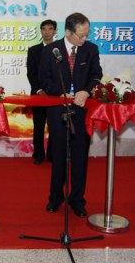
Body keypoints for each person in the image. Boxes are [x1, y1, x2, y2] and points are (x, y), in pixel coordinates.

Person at [39, 13, 102, 218]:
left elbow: (96, 75)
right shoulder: (51, 50)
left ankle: (77, 199)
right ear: (68, 32)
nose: (84, 40)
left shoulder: (90, 49)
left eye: (86, 35)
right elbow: (44, 79)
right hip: (58, 110)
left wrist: (86, 90)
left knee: (80, 157)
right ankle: (55, 198)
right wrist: (60, 93)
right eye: (80, 36)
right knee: (58, 156)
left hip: (82, 110)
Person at [26, 19, 56, 165]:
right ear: (41, 31)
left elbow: (63, 74)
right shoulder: (33, 50)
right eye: (44, 29)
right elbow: (31, 73)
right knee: (38, 126)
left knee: (54, 126)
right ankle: (38, 155)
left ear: (55, 31)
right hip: (38, 95)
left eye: (50, 29)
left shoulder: (60, 50)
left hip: (55, 95)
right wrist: (39, 89)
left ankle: (52, 155)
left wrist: (53, 91)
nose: (47, 32)